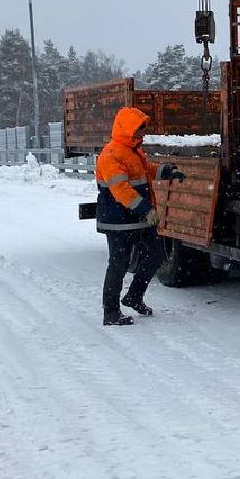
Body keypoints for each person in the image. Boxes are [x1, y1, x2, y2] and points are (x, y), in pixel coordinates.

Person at [96, 106, 165, 326]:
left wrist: (166, 171)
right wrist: (146, 210)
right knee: (119, 264)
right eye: (140, 129)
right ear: (127, 130)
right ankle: (111, 312)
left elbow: (145, 170)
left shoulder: (134, 150)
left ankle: (134, 296)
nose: (143, 133)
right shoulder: (111, 154)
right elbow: (122, 191)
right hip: (118, 220)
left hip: (137, 218)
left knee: (156, 253)